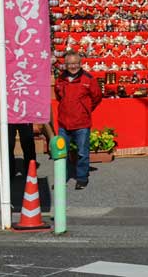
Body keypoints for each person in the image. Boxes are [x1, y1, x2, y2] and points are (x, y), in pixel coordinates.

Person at [54, 51, 102, 190]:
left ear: (80, 64)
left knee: (82, 153)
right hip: (64, 123)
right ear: (65, 65)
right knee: (62, 153)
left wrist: (85, 109)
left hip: (81, 123)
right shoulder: (60, 79)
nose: (73, 66)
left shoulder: (88, 79)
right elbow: (59, 96)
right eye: (70, 64)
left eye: (75, 63)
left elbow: (97, 97)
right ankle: (62, 177)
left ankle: (81, 178)